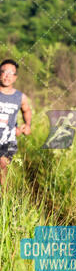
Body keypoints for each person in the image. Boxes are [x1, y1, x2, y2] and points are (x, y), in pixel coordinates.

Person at [0, 59, 32, 189]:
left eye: (11, 73)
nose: (7, 76)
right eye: (4, 72)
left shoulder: (20, 97)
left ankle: (4, 200)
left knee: (2, 168)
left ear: (15, 77)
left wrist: (27, 125)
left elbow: (27, 110)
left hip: (8, 141)